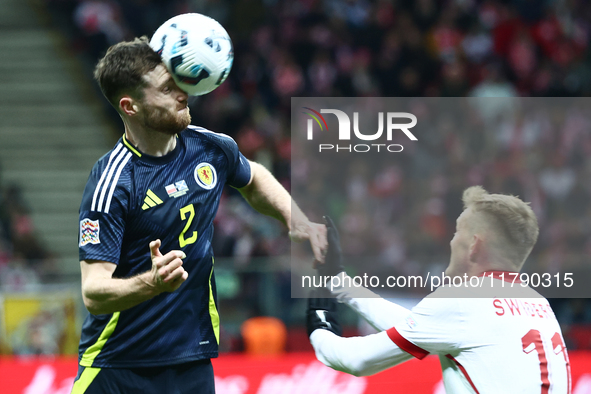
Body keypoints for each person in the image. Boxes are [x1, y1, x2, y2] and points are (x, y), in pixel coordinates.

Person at [71, 37, 326, 394]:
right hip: (118, 366)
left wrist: (293, 217)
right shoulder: (113, 182)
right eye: (166, 88)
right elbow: (94, 292)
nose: (183, 93)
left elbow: (253, 178)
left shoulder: (210, 146)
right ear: (130, 106)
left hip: (192, 362)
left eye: (180, 82)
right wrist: (153, 282)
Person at [308, 186, 571, 393]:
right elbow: (417, 326)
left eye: (457, 232)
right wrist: (339, 282)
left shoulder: (462, 302)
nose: (451, 240)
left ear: (474, 245)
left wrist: (320, 326)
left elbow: (357, 360)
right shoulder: (538, 304)